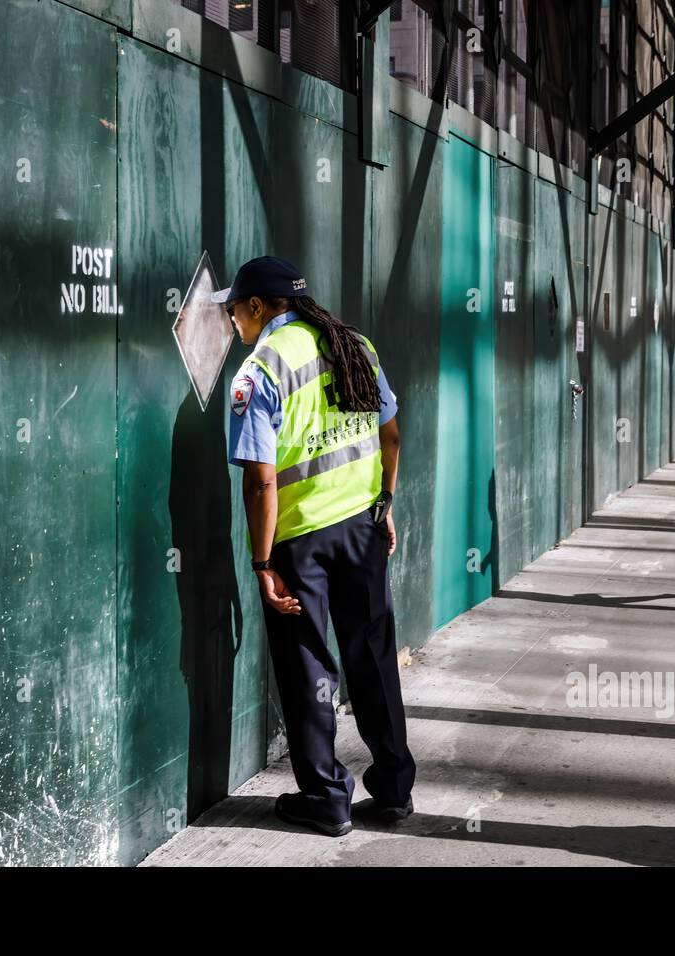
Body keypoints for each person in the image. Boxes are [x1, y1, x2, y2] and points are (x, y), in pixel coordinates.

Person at [217, 255, 416, 837]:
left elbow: (260, 479)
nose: (234, 324)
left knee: (309, 667)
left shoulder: (262, 369)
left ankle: (328, 798)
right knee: (373, 656)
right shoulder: (355, 344)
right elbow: (392, 433)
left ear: (258, 307)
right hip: (362, 528)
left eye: (235, 312)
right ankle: (395, 787)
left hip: (300, 540)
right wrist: (384, 502)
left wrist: (260, 562)